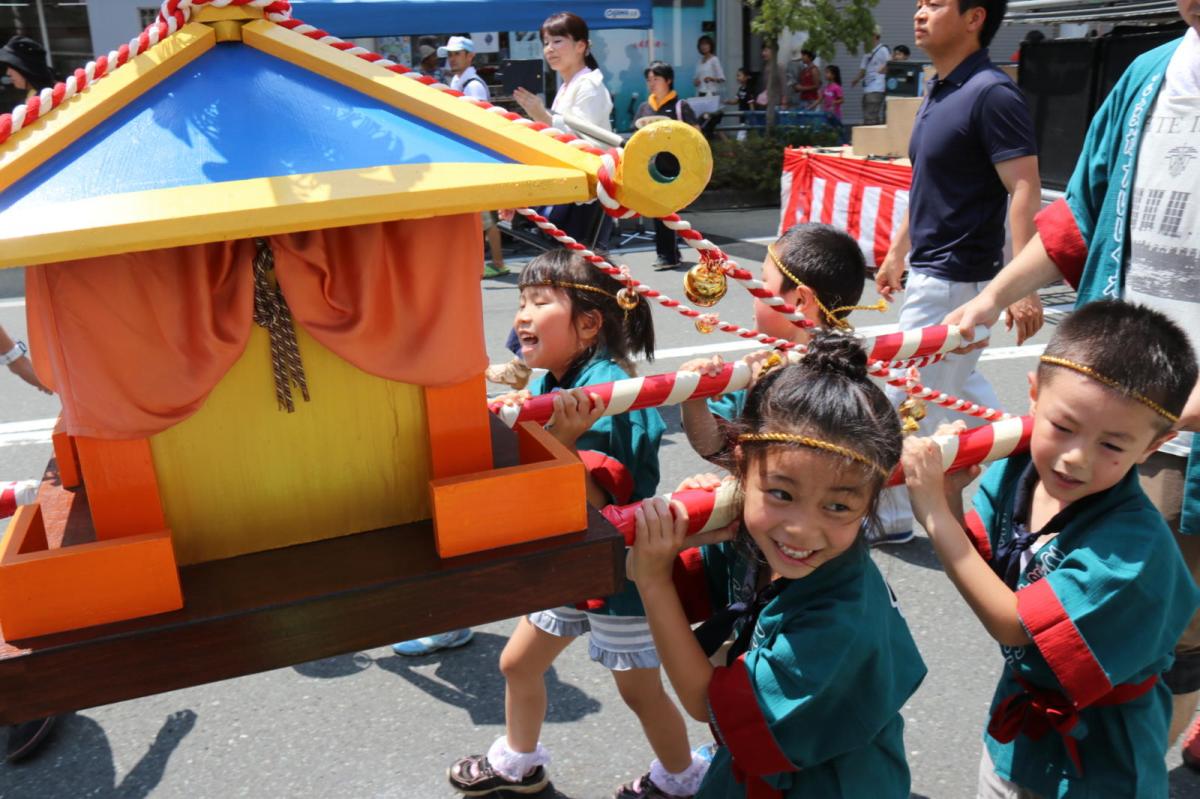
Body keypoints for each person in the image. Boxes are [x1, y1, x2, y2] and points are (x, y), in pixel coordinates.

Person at [946, 6, 1200, 768]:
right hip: (1120, 408)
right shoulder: (1149, 75)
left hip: (1163, 420)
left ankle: (1135, 759)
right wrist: (993, 295)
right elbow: (1080, 218)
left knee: (1169, 624)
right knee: (1093, 598)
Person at [902, 301, 1200, 797]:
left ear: (1152, 447)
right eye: (1063, 427)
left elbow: (1012, 623)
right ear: (1034, 395)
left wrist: (933, 513)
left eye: (1112, 445)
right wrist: (950, 495)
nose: (1075, 458)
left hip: (1101, 762)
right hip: (1017, 729)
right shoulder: (1019, 471)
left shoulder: (1131, 549)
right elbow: (981, 566)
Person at [449, 250, 710, 799]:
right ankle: (519, 762)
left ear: (589, 324)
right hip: (570, 560)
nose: (522, 315)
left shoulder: (608, 392)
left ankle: (681, 778)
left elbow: (599, 500)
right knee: (517, 663)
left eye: (539, 301)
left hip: (616, 564)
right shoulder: (555, 380)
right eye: (521, 301)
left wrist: (559, 440)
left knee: (640, 693)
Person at [629, 334, 928, 798]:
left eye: (838, 506)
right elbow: (687, 589)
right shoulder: (754, 540)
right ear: (742, 469)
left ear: (870, 501)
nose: (801, 530)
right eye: (781, 494)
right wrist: (686, 537)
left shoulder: (842, 621)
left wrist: (653, 582)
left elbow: (704, 703)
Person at [872, 0, 1043, 546]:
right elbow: (926, 180)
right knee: (963, 396)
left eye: (936, 3)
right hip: (932, 271)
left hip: (958, 279)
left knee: (902, 397)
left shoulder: (992, 94)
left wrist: (1020, 282)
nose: (919, 13)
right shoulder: (939, 89)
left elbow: (1023, 186)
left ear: (974, 18)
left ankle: (892, 517)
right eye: (920, 3)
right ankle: (1029, 472)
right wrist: (897, 252)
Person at [680, 224, 881, 462]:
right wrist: (694, 398)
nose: (754, 293)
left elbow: (799, 467)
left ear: (799, 300)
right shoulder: (763, 365)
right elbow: (714, 446)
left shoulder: (840, 379)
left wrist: (762, 399)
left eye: (764, 281)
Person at [513, 12, 615, 252]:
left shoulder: (589, 86)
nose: (549, 49)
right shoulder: (570, 86)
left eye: (557, 41)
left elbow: (582, 142)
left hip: (586, 193)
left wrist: (542, 116)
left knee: (578, 264)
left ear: (581, 46)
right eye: (546, 42)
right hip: (573, 189)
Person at [436, 35, 509, 280]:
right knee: (478, 216)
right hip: (465, 157)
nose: (452, 59)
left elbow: (480, 125)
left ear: (470, 56)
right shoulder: (458, 81)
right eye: (450, 54)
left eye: (457, 54)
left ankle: (497, 263)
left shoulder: (473, 86)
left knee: (484, 216)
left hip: (475, 158)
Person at [634, 62, 697, 271]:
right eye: (649, 80)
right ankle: (669, 254)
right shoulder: (644, 107)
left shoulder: (680, 106)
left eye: (656, 79)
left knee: (665, 210)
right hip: (652, 165)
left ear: (668, 80)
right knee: (657, 210)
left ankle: (668, 255)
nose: (651, 84)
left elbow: (695, 134)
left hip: (674, 166)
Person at [850, 26, 890, 124]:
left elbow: (890, 64)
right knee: (868, 116)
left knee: (870, 117)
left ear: (875, 36)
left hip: (877, 88)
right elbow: (863, 70)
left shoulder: (883, 50)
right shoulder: (867, 52)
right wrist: (856, 79)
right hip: (867, 89)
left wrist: (882, 71)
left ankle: (873, 132)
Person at [689, 34, 725, 118]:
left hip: (711, 93)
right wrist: (696, 81)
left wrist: (711, 78)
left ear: (710, 46)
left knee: (709, 118)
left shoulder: (714, 60)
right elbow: (695, 78)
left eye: (706, 44)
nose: (704, 46)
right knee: (700, 117)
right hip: (700, 93)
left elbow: (722, 78)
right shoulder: (699, 61)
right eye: (702, 44)